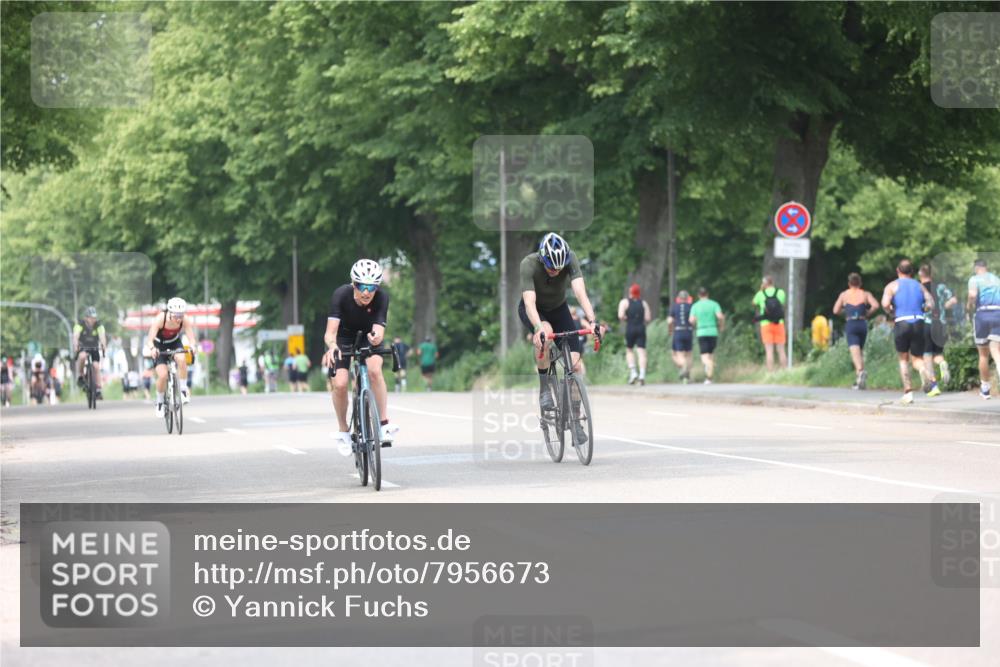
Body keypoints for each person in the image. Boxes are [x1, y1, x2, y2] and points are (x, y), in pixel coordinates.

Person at [519, 232, 598, 445]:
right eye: (551, 267)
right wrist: (538, 328)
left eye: (559, 268)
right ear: (542, 259)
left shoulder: (570, 258)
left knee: (575, 366)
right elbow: (529, 302)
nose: (555, 271)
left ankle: (575, 420)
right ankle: (545, 387)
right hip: (536, 311)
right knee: (544, 335)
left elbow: (580, 291)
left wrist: (592, 320)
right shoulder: (529, 264)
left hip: (560, 308)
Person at [323, 259, 398, 448]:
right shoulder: (341, 295)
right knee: (340, 384)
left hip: (367, 336)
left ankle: (383, 425)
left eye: (371, 287)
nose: (366, 292)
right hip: (342, 338)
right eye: (362, 286)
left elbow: (379, 330)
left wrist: (375, 338)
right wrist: (332, 346)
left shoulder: (382, 297)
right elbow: (330, 333)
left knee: (374, 370)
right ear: (353, 284)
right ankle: (343, 431)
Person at [881, 259, 938, 404]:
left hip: (902, 322)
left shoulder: (892, 286)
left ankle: (908, 393)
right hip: (919, 322)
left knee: (903, 359)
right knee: (917, 358)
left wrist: (891, 312)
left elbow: (885, 304)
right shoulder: (919, 286)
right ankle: (924, 370)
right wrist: (924, 309)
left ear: (897, 271)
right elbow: (931, 303)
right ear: (912, 272)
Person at [143, 297, 197, 417]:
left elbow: (191, 337)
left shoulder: (185, 319)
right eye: (176, 315)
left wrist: (193, 346)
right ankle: (160, 402)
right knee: (163, 375)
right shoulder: (160, 318)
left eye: (181, 315)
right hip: (158, 345)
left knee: (182, 359)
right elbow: (149, 339)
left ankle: (183, 390)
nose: (179, 318)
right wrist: (152, 349)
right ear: (170, 313)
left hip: (174, 342)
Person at [832, 272, 881, 389]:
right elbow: (876, 305)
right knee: (860, 351)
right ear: (860, 283)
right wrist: (868, 313)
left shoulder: (844, 295)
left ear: (849, 283)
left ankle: (860, 372)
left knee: (855, 352)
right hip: (862, 323)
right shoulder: (865, 294)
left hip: (851, 323)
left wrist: (844, 312)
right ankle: (859, 380)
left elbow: (835, 310)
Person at [919, 264, 958, 387]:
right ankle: (942, 363)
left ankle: (933, 383)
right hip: (941, 323)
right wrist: (945, 306)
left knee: (927, 353)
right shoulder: (941, 287)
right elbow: (954, 300)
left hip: (926, 323)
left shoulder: (919, 288)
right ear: (932, 274)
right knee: (938, 353)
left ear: (920, 275)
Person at [967, 259, 1000, 400]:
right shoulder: (996, 279)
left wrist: (968, 305)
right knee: (996, 351)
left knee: (983, 355)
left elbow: (973, 295)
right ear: (986, 267)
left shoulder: (975, 279)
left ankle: (985, 389)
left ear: (976, 268)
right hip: (998, 314)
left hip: (982, 315)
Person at [689, 287, 725, 384]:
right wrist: (721, 326)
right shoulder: (714, 304)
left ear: (698, 295)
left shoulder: (695, 306)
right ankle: (709, 378)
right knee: (711, 354)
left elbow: (691, 320)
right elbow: (720, 316)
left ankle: (710, 365)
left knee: (705, 357)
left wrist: (696, 322)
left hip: (702, 332)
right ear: (707, 294)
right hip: (713, 331)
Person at [617, 283, 652, 385]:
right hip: (641, 328)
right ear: (639, 293)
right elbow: (648, 318)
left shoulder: (624, 302)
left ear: (630, 292)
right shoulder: (644, 303)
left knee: (629, 350)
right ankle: (642, 374)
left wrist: (626, 318)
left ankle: (633, 372)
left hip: (630, 327)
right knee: (641, 352)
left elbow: (620, 315)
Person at [753, 276, 787, 372]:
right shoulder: (780, 292)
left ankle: (770, 373)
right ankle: (784, 372)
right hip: (779, 323)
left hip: (766, 324)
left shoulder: (760, 294)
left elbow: (754, 303)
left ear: (764, 283)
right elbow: (782, 303)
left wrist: (761, 290)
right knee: (781, 349)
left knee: (769, 350)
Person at [73, 306, 107, 400]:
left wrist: (104, 347)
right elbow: (75, 337)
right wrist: (76, 346)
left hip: (94, 347)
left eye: (95, 318)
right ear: (86, 318)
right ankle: (81, 375)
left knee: (96, 366)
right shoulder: (80, 325)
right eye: (91, 318)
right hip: (83, 346)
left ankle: (98, 388)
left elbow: (102, 337)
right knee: (82, 356)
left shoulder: (99, 325)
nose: (93, 320)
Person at [666, 290, 694, 383]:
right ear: (687, 298)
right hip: (689, 331)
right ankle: (687, 375)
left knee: (678, 354)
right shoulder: (691, 307)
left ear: (679, 298)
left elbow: (669, 321)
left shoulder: (674, 307)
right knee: (689, 353)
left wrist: (670, 330)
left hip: (678, 331)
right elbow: (693, 320)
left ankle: (683, 367)